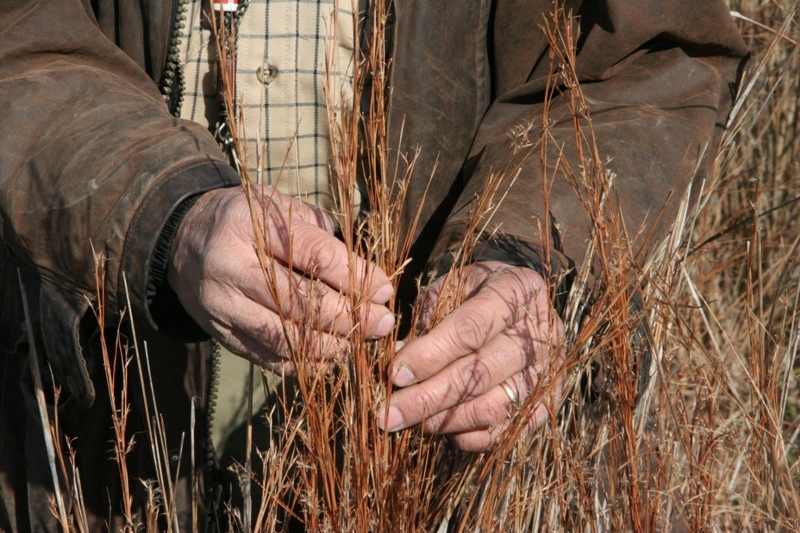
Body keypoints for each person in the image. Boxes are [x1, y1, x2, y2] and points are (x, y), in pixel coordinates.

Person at [0, 0, 748, 530]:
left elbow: (646, 60)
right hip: (80, 434)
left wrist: (524, 248)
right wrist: (162, 212)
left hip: (448, 473)